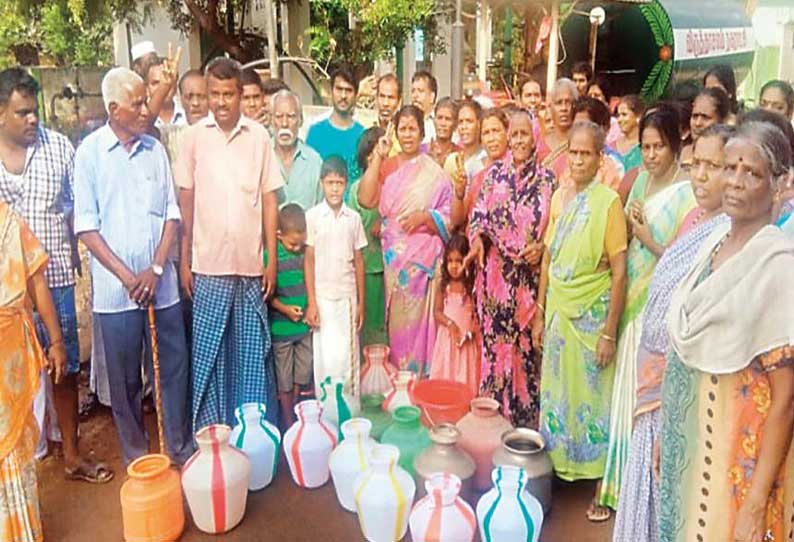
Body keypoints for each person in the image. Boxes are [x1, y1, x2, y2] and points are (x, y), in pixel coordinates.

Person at [660, 121, 794, 542]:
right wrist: (672, 430)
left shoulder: (776, 266)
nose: (734, 181)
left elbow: (786, 398)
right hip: (693, 451)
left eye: (751, 172)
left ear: (780, 184)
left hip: (737, 463)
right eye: (730, 168)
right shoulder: (712, 245)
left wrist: (755, 504)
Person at [612, 125, 733, 542]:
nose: (700, 175)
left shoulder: (729, 238)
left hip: (680, 394)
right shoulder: (699, 221)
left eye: (713, 166)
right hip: (655, 390)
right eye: (696, 164)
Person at [0, 68, 113, 483]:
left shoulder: (58, 148)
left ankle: (72, 454)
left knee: (61, 367)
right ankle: (19, 464)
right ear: (0, 114)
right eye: (22, 113)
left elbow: (81, 203)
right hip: (6, 297)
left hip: (57, 281)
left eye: (35, 112)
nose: (32, 120)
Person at [74, 67, 192, 465]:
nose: (146, 110)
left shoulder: (155, 150)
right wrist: (129, 278)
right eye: (138, 103)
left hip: (163, 288)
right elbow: (86, 228)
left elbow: (172, 216)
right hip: (116, 296)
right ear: (113, 109)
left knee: (173, 370)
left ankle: (177, 448)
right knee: (125, 383)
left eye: (147, 101)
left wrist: (156, 270)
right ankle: (139, 460)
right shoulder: (89, 154)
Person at [175, 58, 283, 430]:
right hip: (207, 267)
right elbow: (185, 202)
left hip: (251, 267)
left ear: (240, 94)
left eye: (227, 94)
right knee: (209, 355)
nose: (220, 102)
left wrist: (270, 258)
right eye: (213, 94)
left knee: (251, 353)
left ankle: (250, 434)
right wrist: (183, 260)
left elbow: (271, 200)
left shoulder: (259, 138)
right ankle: (210, 433)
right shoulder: (192, 138)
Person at [599, 104, 696, 510]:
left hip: (656, 306)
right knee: (623, 388)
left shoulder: (688, 191)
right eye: (645, 147)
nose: (651, 154)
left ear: (674, 146)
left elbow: (683, 255)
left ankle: (642, 488)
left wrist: (647, 235)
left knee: (645, 396)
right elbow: (623, 233)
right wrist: (631, 217)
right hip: (630, 298)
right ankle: (618, 481)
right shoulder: (638, 182)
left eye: (658, 147)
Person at [533, 120, 628, 523]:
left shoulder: (608, 203)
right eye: (572, 151)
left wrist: (609, 332)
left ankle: (595, 483)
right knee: (558, 393)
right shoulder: (559, 198)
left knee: (592, 399)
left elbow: (620, 272)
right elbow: (549, 257)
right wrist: (539, 312)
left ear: (599, 157)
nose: (577, 159)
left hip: (592, 317)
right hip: (558, 313)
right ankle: (556, 468)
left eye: (586, 153)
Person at [465, 109, 555, 427]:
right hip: (494, 283)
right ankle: (492, 427)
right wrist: (476, 240)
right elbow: (477, 218)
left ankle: (523, 432)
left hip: (529, 286)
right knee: (495, 353)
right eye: (514, 134)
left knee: (527, 356)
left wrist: (543, 247)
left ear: (535, 138)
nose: (518, 141)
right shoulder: (492, 177)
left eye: (524, 135)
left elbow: (556, 228)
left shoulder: (548, 181)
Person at [357, 105, 452, 372]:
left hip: (423, 261)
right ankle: (402, 380)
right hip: (395, 263)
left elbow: (449, 216)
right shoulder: (386, 166)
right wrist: (379, 155)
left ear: (422, 133)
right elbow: (366, 199)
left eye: (412, 129)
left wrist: (425, 217)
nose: (407, 134)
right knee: (399, 324)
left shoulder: (434, 171)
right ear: (395, 133)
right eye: (403, 129)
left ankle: (422, 380)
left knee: (421, 325)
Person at [0, 200, 66, 542]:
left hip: (9, 359)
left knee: (16, 448)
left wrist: (56, 341)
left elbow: (38, 282)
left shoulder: (10, 222)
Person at [305, 157, 367, 399]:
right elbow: (308, 259)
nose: (334, 189)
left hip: (347, 297)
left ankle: (350, 414)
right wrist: (311, 302)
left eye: (339, 183)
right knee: (324, 358)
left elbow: (359, 260)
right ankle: (325, 414)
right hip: (322, 297)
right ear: (322, 183)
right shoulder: (312, 217)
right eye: (330, 183)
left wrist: (360, 302)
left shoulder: (353, 218)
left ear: (346, 184)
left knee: (347, 358)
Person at [269, 203, 311, 429]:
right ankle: (287, 420)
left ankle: (295, 409)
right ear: (278, 236)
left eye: (300, 243)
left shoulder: (305, 252)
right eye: (292, 243)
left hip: (302, 328)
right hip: (282, 330)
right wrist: (285, 310)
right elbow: (267, 295)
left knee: (301, 374)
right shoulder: (271, 256)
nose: (296, 248)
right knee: (284, 379)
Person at [347, 127, 388, 346]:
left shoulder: (393, 185)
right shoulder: (357, 189)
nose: (379, 157)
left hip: (389, 270)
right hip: (364, 270)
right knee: (367, 333)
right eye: (373, 153)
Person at [430, 233, 480, 396]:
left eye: (459, 261)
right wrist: (450, 324)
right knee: (447, 374)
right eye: (450, 261)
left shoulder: (471, 286)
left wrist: (472, 331)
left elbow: (477, 315)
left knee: (464, 375)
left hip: (466, 341)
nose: (454, 266)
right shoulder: (444, 285)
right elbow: (437, 312)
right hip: (448, 340)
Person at [450, 108, 510, 230]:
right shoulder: (479, 178)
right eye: (486, 133)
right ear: (481, 139)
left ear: (507, 133)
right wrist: (459, 194)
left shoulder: (517, 171)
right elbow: (457, 220)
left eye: (496, 131)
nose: (491, 138)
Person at [307, 65, 366, 181]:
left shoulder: (363, 136)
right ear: (331, 91)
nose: (343, 96)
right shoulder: (316, 133)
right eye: (339, 89)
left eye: (348, 90)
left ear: (356, 94)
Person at [271, 89, 323, 210]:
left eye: (291, 117)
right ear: (272, 120)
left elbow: (321, 210)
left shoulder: (314, 162)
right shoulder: (261, 157)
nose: (284, 123)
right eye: (279, 117)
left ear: (300, 121)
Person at [569, 97, 624, 190]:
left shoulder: (615, 165)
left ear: (604, 128)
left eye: (586, 126)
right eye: (577, 126)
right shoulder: (570, 159)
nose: (580, 132)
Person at [680, 87, 730, 171]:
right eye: (695, 116)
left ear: (723, 121)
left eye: (705, 117)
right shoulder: (685, 152)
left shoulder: (729, 156)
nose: (698, 123)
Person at [538, 78, 578, 179]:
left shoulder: (580, 143)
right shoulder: (539, 146)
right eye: (559, 103)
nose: (564, 108)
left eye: (568, 102)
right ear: (550, 107)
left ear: (575, 106)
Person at [443, 99, 487, 182]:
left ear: (479, 124)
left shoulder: (486, 158)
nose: (464, 127)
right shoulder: (452, 160)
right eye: (460, 122)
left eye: (469, 121)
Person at [145, 57, 186, 127]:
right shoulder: (139, 118)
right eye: (155, 83)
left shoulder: (187, 112)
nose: (163, 87)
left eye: (168, 80)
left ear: (176, 84)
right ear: (146, 88)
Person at [423, 97, 458, 166]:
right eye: (439, 118)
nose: (443, 123)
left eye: (448, 119)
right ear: (434, 121)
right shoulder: (421, 151)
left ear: (455, 124)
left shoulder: (459, 154)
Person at [615, 94, 644, 171]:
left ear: (638, 116)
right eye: (618, 115)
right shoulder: (612, 146)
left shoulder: (645, 145)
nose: (619, 120)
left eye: (624, 115)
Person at [411, 70, 438, 143]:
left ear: (432, 96)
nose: (415, 96)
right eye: (413, 91)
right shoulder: (407, 120)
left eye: (420, 91)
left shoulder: (439, 122)